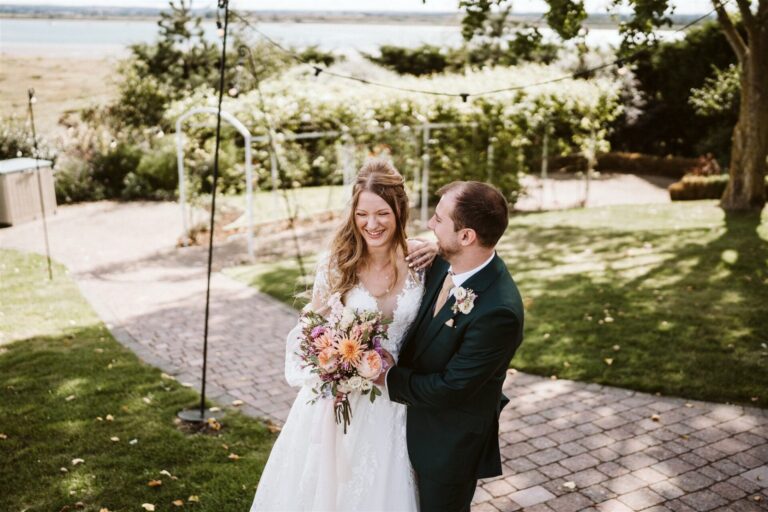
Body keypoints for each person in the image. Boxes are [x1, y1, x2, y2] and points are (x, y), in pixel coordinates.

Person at [251, 159, 436, 511]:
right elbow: (311, 328)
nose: (372, 224)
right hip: (337, 401)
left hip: (394, 399)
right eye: (362, 214)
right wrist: (333, 358)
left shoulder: (420, 261)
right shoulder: (338, 262)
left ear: (399, 209)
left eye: (382, 213)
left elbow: (474, 254)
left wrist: (439, 247)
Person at [376, 181, 525, 512]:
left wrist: (385, 377)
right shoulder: (445, 262)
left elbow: (452, 387)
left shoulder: (499, 311)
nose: (430, 224)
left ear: (466, 236)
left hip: (448, 445)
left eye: (438, 219)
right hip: (406, 426)